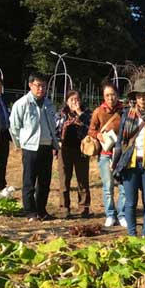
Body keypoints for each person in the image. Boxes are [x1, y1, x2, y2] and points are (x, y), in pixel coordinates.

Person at [112, 79, 145, 236]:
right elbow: (121, 138)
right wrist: (115, 161)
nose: (142, 99)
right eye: (139, 96)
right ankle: (132, 235)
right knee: (130, 202)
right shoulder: (126, 115)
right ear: (135, 98)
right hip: (130, 162)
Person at [10, 72, 59, 221]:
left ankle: (42, 210)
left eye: (44, 86)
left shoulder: (49, 103)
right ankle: (30, 212)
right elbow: (14, 126)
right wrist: (20, 143)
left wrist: (54, 143)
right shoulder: (22, 103)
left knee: (44, 181)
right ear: (31, 85)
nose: (41, 89)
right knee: (29, 181)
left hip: (46, 146)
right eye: (38, 86)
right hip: (30, 148)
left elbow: (53, 125)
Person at [88, 82, 126, 227]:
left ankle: (122, 214)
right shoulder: (98, 111)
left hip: (121, 153)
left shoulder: (124, 111)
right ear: (104, 97)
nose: (111, 98)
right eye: (107, 95)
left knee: (123, 185)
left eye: (113, 95)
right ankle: (110, 214)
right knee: (108, 186)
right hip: (105, 153)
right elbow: (91, 129)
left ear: (117, 95)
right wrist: (98, 135)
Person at [55, 90, 92, 218]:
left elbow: (91, 128)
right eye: (72, 100)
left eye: (77, 99)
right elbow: (55, 130)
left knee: (82, 180)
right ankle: (64, 208)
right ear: (67, 101)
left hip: (82, 150)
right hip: (64, 149)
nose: (75, 102)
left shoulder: (86, 113)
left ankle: (84, 208)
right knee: (64, 180)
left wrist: (79, 114)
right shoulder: (61, 114)